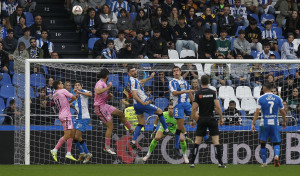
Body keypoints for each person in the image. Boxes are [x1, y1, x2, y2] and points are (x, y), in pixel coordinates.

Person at [128, 66, 172, 150]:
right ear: (129, 73)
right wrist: (143, 102)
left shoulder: (135, 80)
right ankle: (166, 130)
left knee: (141, 123)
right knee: (159, 111)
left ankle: (133, 142)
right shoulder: (133, 81)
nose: (135, 72)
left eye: (135, 70)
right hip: (141, 104)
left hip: (136, 106)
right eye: (132, 71)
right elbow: (134, 94)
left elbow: (141, 81)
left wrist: (150, 77)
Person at [94, 68, 134, 154]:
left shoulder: (103, 83)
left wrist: (108, 96)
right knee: (110, 126)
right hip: (100, 108)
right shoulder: (100, 83)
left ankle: (130, 129)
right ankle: (107, 147)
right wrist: (108, 87)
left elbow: (100, 97)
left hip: (104, 105)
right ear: (107, 75)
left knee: (120, 113)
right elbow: (98, 91)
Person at [190, 74, 226, 168]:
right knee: (216, 142)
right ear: (209, 82)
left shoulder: (197, 93)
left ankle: (192, 162)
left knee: (197, 141)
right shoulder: (213, 92)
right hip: (211, 118)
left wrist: (191, 120)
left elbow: (194, 108)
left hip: (201, 118)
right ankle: (220, 163)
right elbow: (218, 107)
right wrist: (221, 118)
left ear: (201, 82)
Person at [251, 83, 287, 167]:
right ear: (271, 89)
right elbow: (282, 112)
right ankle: (276, 156)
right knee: (276, 142)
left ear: (264, 88)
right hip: (274, 123)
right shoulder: (278, 98)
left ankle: (264, 163)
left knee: (263, 143)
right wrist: (284, 121)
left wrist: (253, 123)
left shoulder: (261, 98)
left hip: (264, 123)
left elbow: (257, 112)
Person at [169, 66, 193, 158]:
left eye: (177, 70)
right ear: (173, 73)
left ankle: (206, 137)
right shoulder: (172, 82)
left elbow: (189, 92)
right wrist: (185, 91)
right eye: (174, 71)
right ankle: (176, 147)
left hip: (186, 104)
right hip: (178, 105)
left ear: (180, 72)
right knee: (180, 126)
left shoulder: (185, 82)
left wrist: (194, 101)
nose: (176, 72)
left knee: (197, 116)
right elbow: (174, 93)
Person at [50, 80, 78, 162]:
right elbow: (74, 97)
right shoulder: (63, 90)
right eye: (62, 83)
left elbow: (66, 102)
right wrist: (77, 93)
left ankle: (68, 153)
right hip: (66, 116)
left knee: (72, 133)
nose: (63, 84)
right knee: (67, 135)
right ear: (58, 85)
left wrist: (73, 98)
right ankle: (55, 150)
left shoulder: (55, 94)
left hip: (61, 114)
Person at [72, 81, 93, 163]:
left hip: (84, 117)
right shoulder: (76, 97)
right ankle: (82, 153)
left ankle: (88, 153)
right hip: (78, 118)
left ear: (81, 86)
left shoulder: (83, 91)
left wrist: (79, 92)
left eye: (78, 85)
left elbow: (91, 94)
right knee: (72, 136)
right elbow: (78, 108)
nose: (77, 86)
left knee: (77, 137)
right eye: (75, 85)